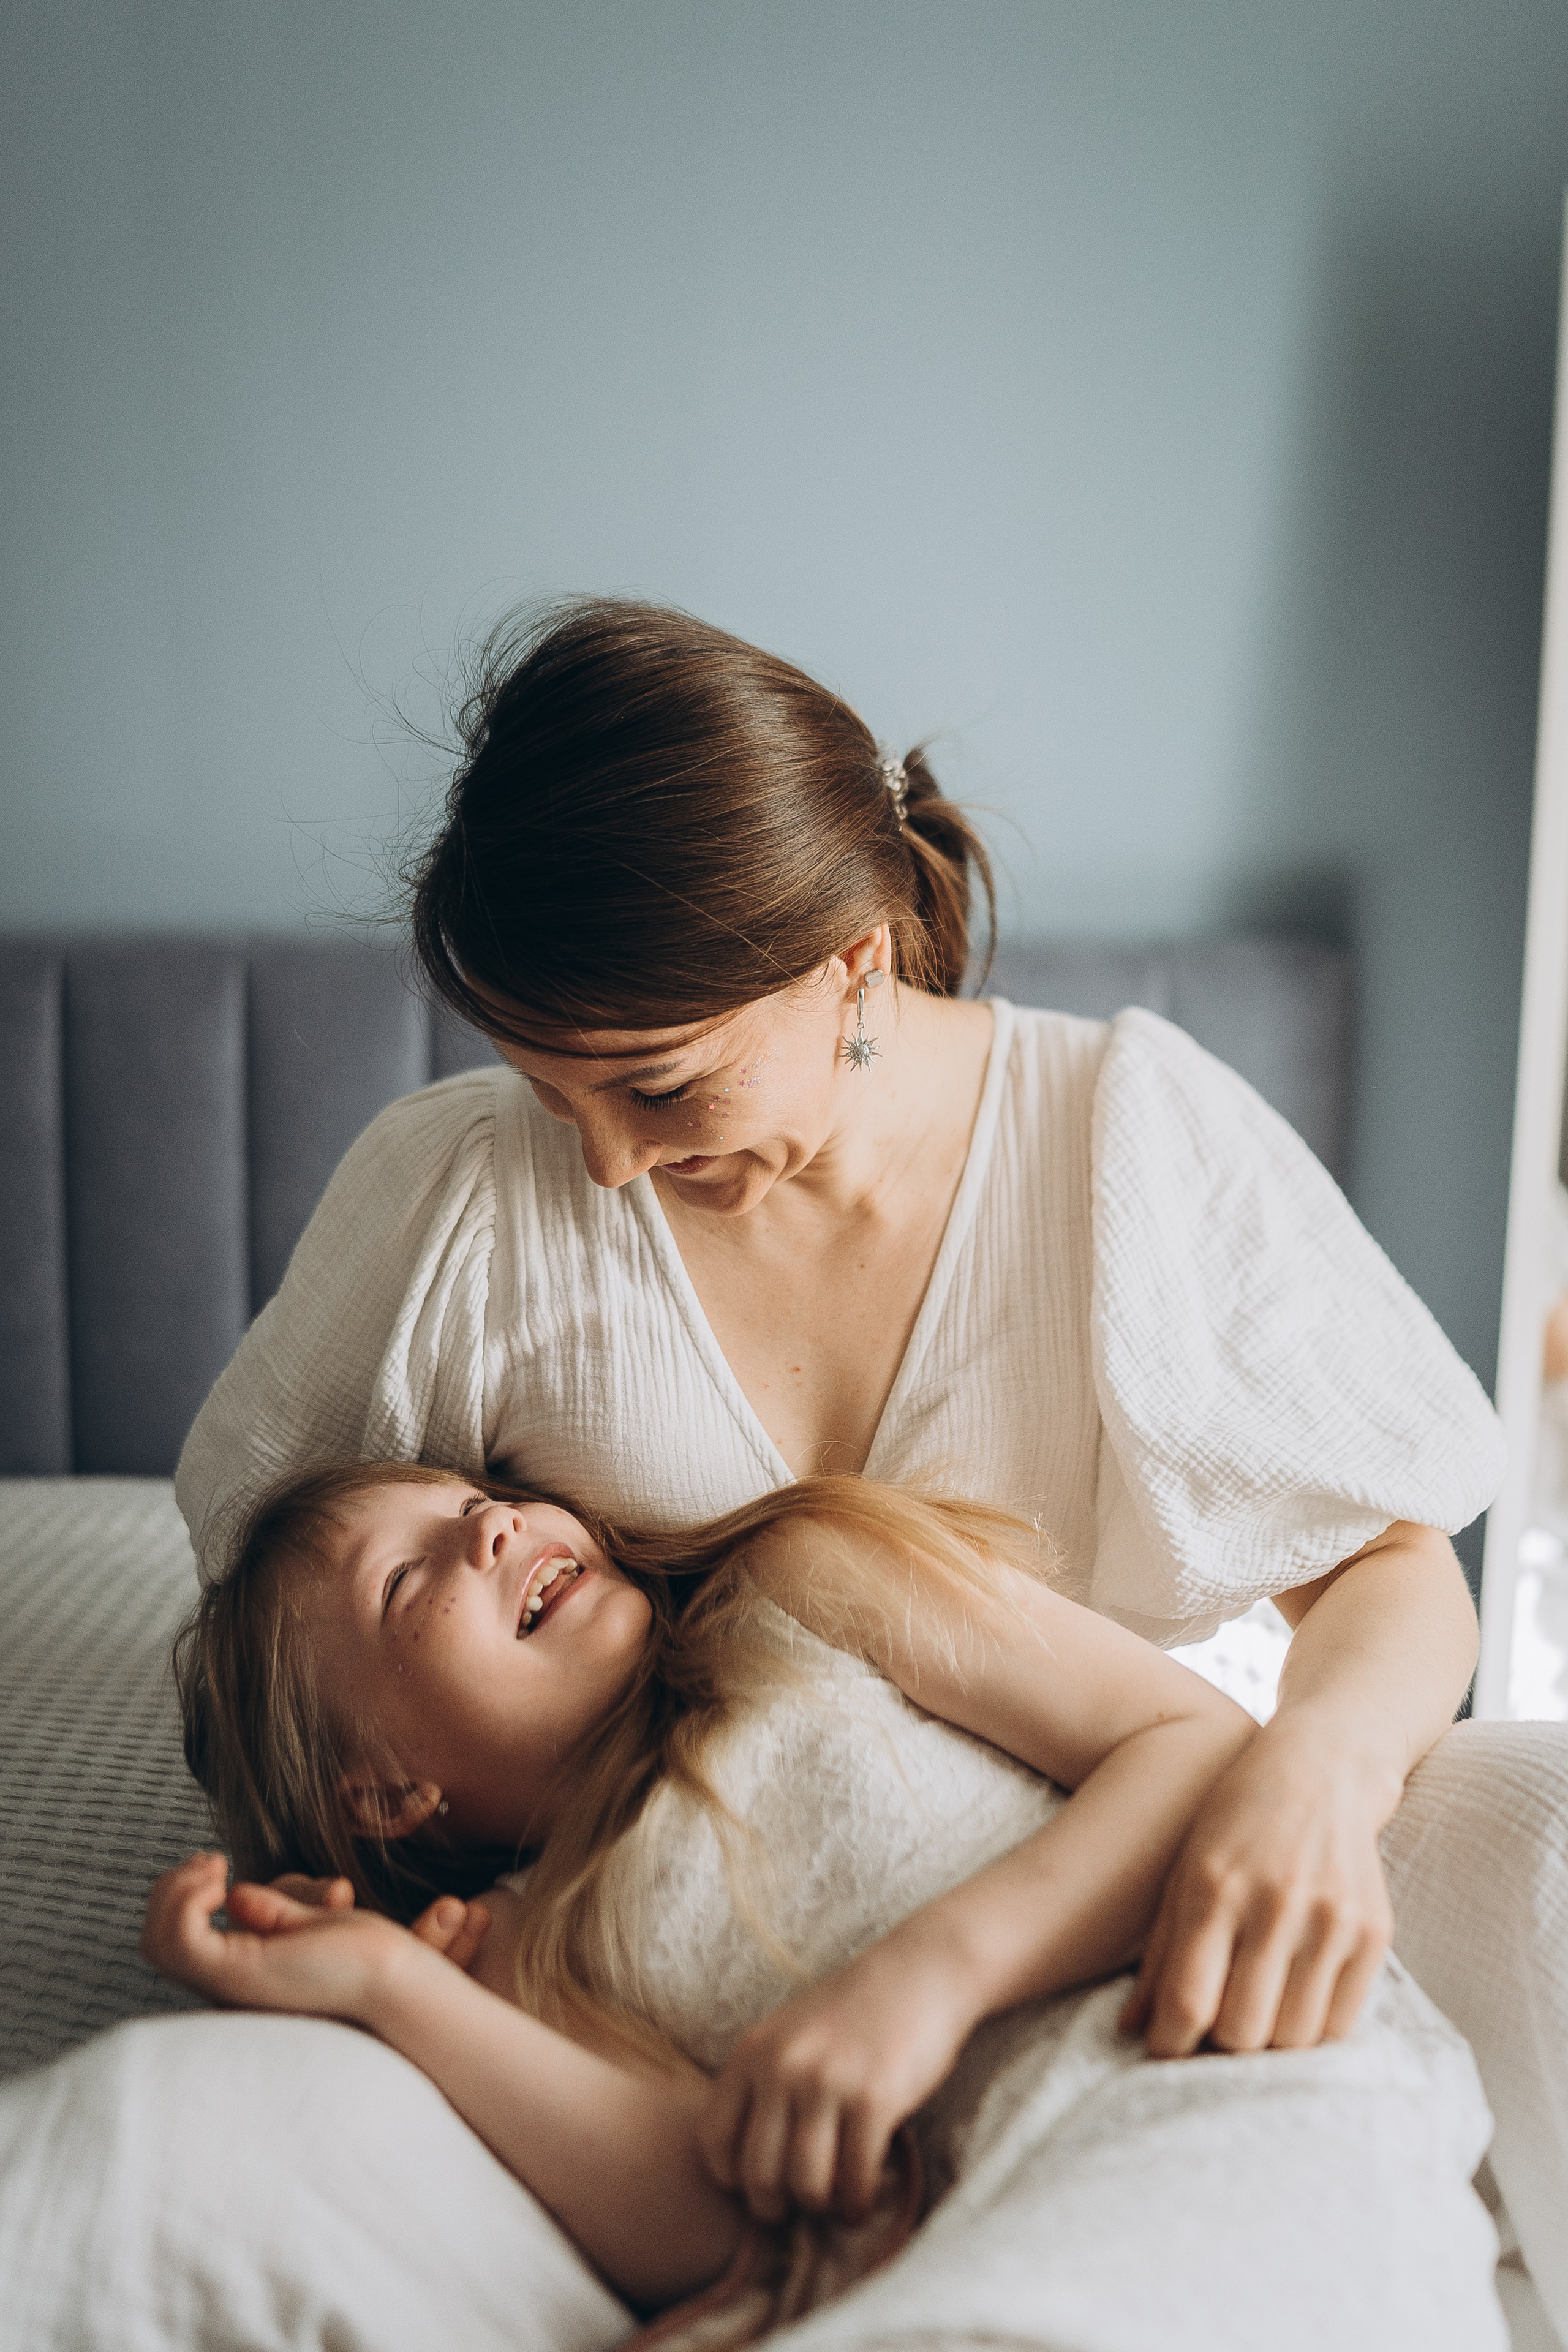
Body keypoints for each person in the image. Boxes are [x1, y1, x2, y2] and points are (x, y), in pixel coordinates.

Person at [141, 1459, 1501, 2347]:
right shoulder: (517, 1956)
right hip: (977, 2232)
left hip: (1224, 2081)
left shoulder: (790, 1590)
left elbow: (1189, 1744)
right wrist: (392, 1989)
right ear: (387, 1795)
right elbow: (714, 2218)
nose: (489, 1525)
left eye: (468, 1500)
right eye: (407, 1579)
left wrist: (925, 1982)